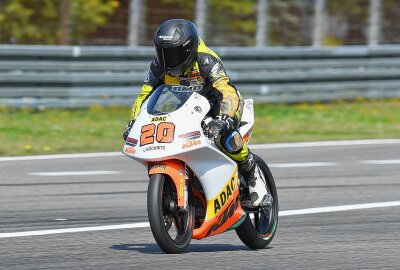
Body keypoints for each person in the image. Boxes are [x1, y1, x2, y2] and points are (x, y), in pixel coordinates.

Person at [123, 19, 271, 207]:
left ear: (188, 48)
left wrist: (223, 119)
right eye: (163, 53)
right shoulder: (158, 66)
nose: (168, 60)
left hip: (220, 104)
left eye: (174, 53)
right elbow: (145, 95)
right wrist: (134, 122)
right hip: (187, 108)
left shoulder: (205, 59)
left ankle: (253, 176)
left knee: (226, 137)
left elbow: (226, 90)